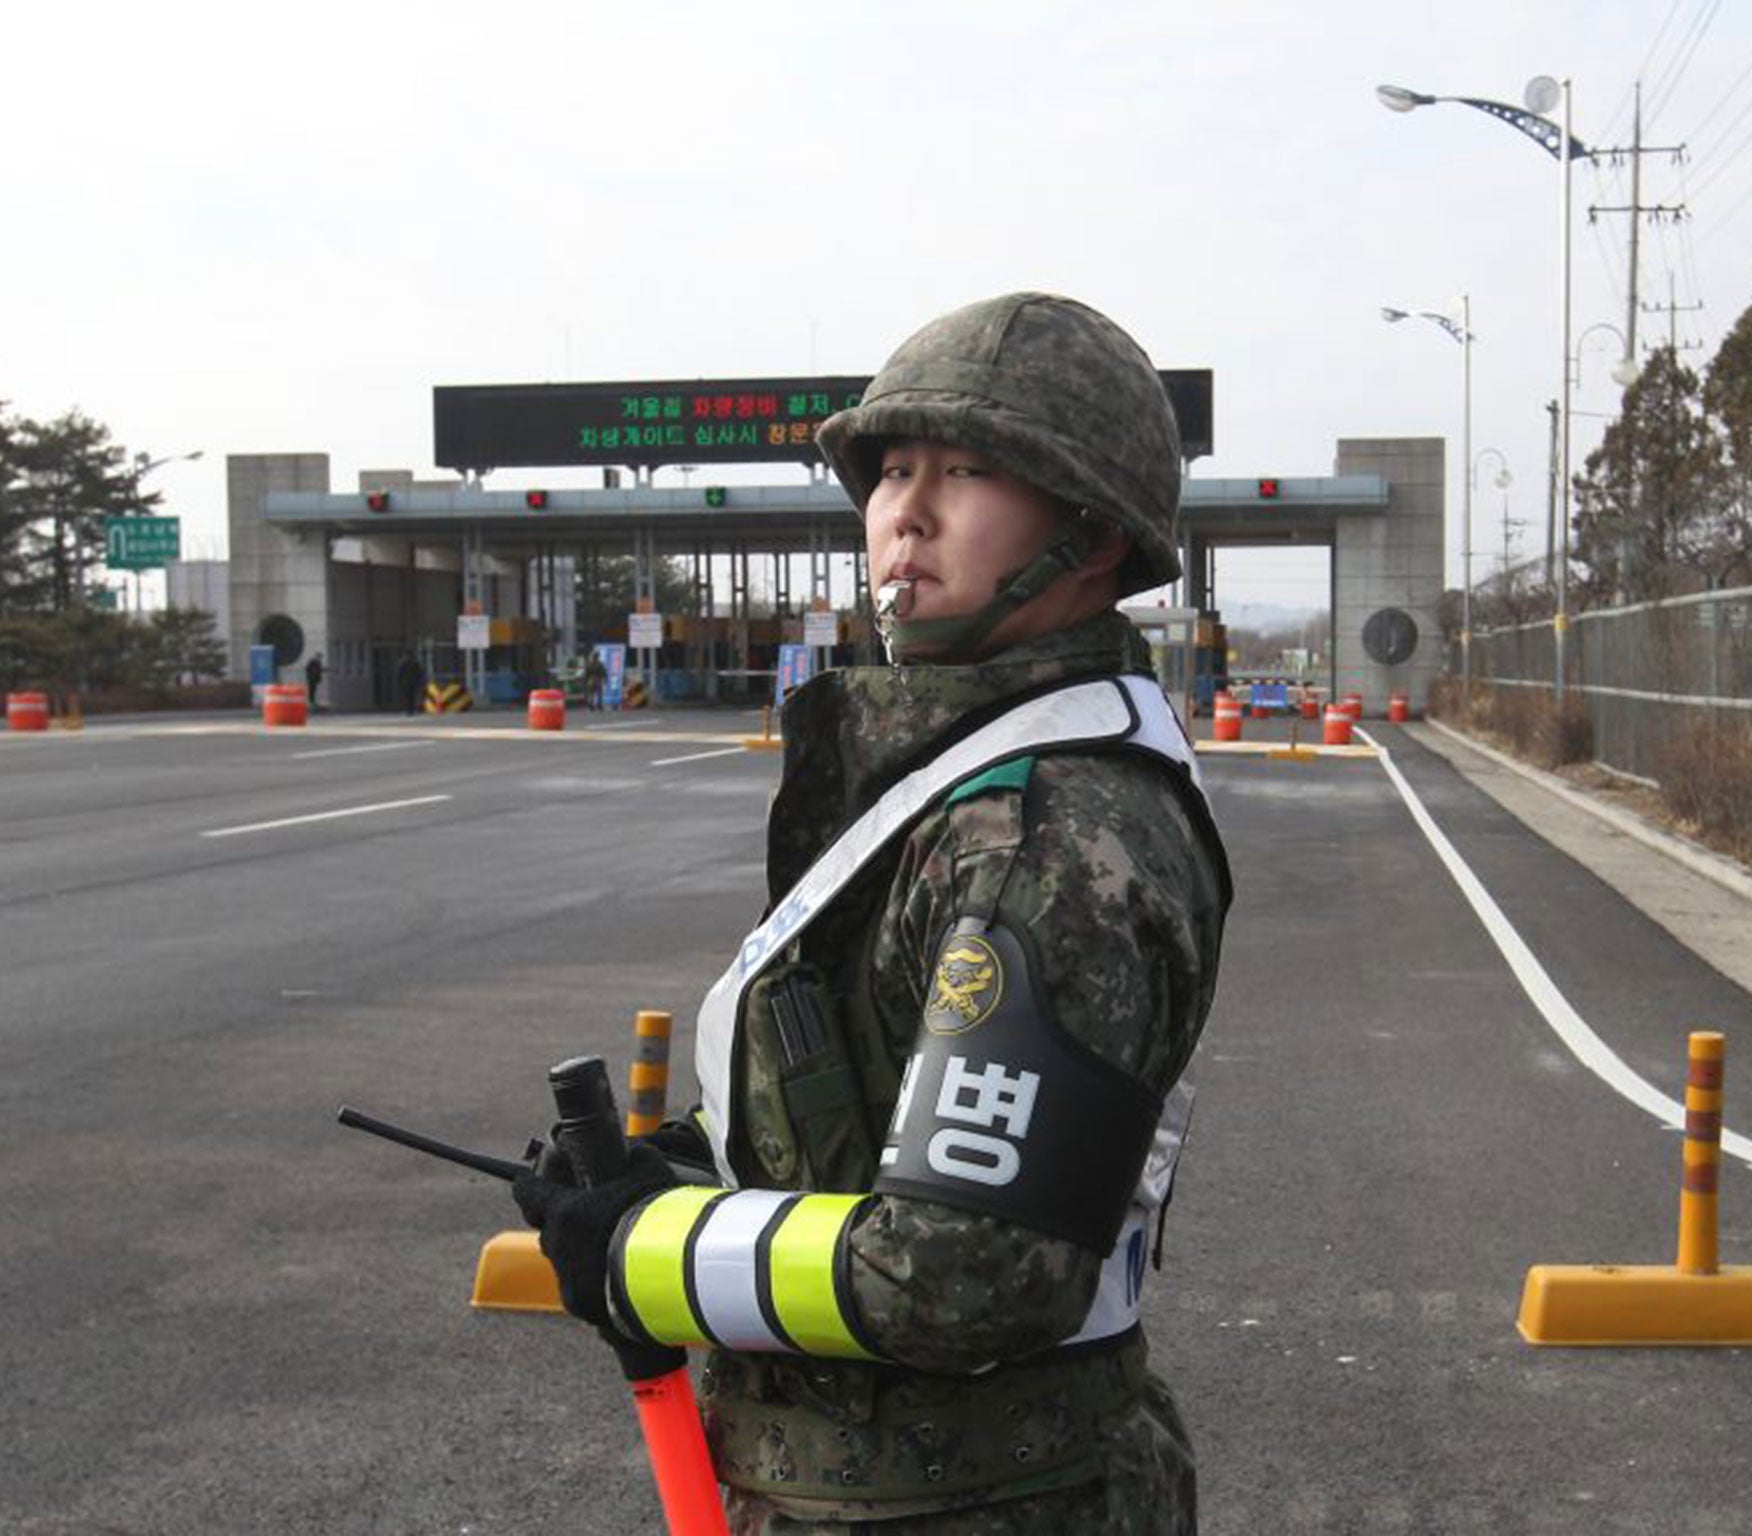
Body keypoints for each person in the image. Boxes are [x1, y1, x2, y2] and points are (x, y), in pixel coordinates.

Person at [514, 292, 1231, 1533]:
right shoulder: (963, 777)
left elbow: (964, 1272)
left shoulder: (1043, 829)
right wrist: (687, 1166)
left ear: (1094, 534)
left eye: (967, 472)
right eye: (891, 469)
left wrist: (647, 1253)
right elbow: (871, 1088)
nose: (906, 510)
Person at [396, 651, 424, 716]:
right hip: (413, 682)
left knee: (407, 697)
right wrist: (419, 681)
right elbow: (419, 673)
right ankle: (412, 709)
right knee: (412, 696)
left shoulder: (402, 663)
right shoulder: (415, 662)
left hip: (405, 682)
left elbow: (399, 674)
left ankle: (408, 710)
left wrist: (399, 682)